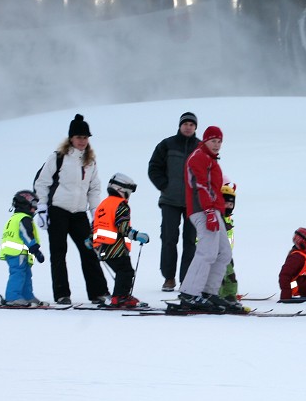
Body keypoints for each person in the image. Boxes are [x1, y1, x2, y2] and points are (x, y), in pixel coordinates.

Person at [33, 113, 109, 305]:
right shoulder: (58, 158)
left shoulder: (90, 161)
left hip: (79, 213)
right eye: (78, 137)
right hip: (58, 210)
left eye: (85, 137)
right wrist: (42, 207)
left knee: (89, 251)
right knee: (59, 253)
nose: (82, 141)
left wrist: (95, 213)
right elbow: (42, 182)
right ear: (71, 138)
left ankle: (98, 292)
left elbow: (94, 188)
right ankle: (62, 294)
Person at [178, 125, 241, 312]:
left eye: (219, 141)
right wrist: (208, 211)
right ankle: (189, 293)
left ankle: (208, 292)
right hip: (202, 210)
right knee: (207, 252)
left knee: (224, 253)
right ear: (205, 141)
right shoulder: (199, 157)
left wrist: (215, 211)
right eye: (213, 141)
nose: (217, 145)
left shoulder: (212, 161)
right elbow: (201, 186)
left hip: (214, 211)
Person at [148, 111, 200, 292]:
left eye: (191, 124)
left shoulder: (201, 147)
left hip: (193, 203)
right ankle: (168, 278)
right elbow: (154, 167)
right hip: (170, 200)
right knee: (169, 239)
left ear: (195, 127)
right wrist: (164, 185)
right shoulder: (167, 144)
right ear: (180, 126)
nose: (188, 127)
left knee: (190, 241)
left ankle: (187, 279)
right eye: (185, 124)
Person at [90, 173, 150, 308]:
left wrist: (90, 239)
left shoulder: (103, 204)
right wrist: (136, 235)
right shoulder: (120, 205)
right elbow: (122, 226)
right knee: (126, 271)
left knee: (122, 271)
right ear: (121, 189)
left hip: (101, 247)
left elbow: (95, 224)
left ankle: (120, 296)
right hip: (115, 247)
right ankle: (120, 297)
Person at [0, 191, 47, 307]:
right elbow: (26, 234)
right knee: (18, 274)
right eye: (33, 205)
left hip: (19, 253)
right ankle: (13, 297)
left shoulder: (15, 218)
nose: (35, 209)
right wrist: (35, 250)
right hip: (17, 253)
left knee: (26, 275)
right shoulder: (23, 218)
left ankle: (27, 296)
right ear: (25, 204)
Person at [218, 181, 240, 302]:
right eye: (225, 203)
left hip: (227, 254)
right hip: (217, 254)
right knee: (220, 277)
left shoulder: (228, 219)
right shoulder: (217, 218)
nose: (228, 206)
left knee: (231, 278)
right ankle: (218, 296)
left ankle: (229, 297)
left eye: (231, 204)